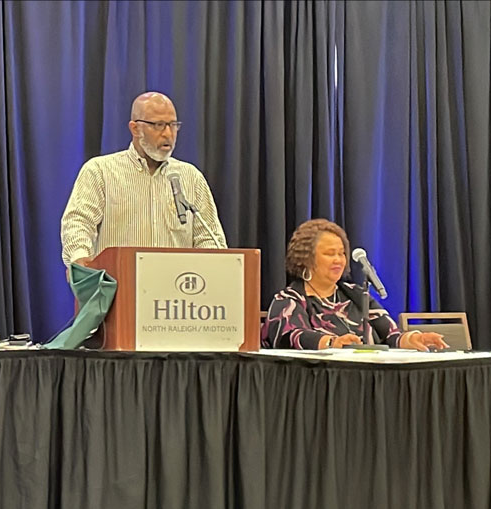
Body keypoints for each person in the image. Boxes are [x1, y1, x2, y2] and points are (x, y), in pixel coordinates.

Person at [60, 91, 227, 267]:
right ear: (135, 128)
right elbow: (78, 222)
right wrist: (80, 259)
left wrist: (214, 268)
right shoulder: (100, 171)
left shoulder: (191, 177)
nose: (168, 134)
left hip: (178, 288)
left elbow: (209, 238)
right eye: (159, 125)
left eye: (173, 125)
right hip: (119, 286)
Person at [261, 218, 447, 351]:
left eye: (341, 253)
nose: (338, 260)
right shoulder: (289, 299)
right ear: (306, 259)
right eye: (329, 253)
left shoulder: (356, 294)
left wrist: (414, 338)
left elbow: (390, 335)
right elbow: (290, 337)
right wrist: (332, 342)